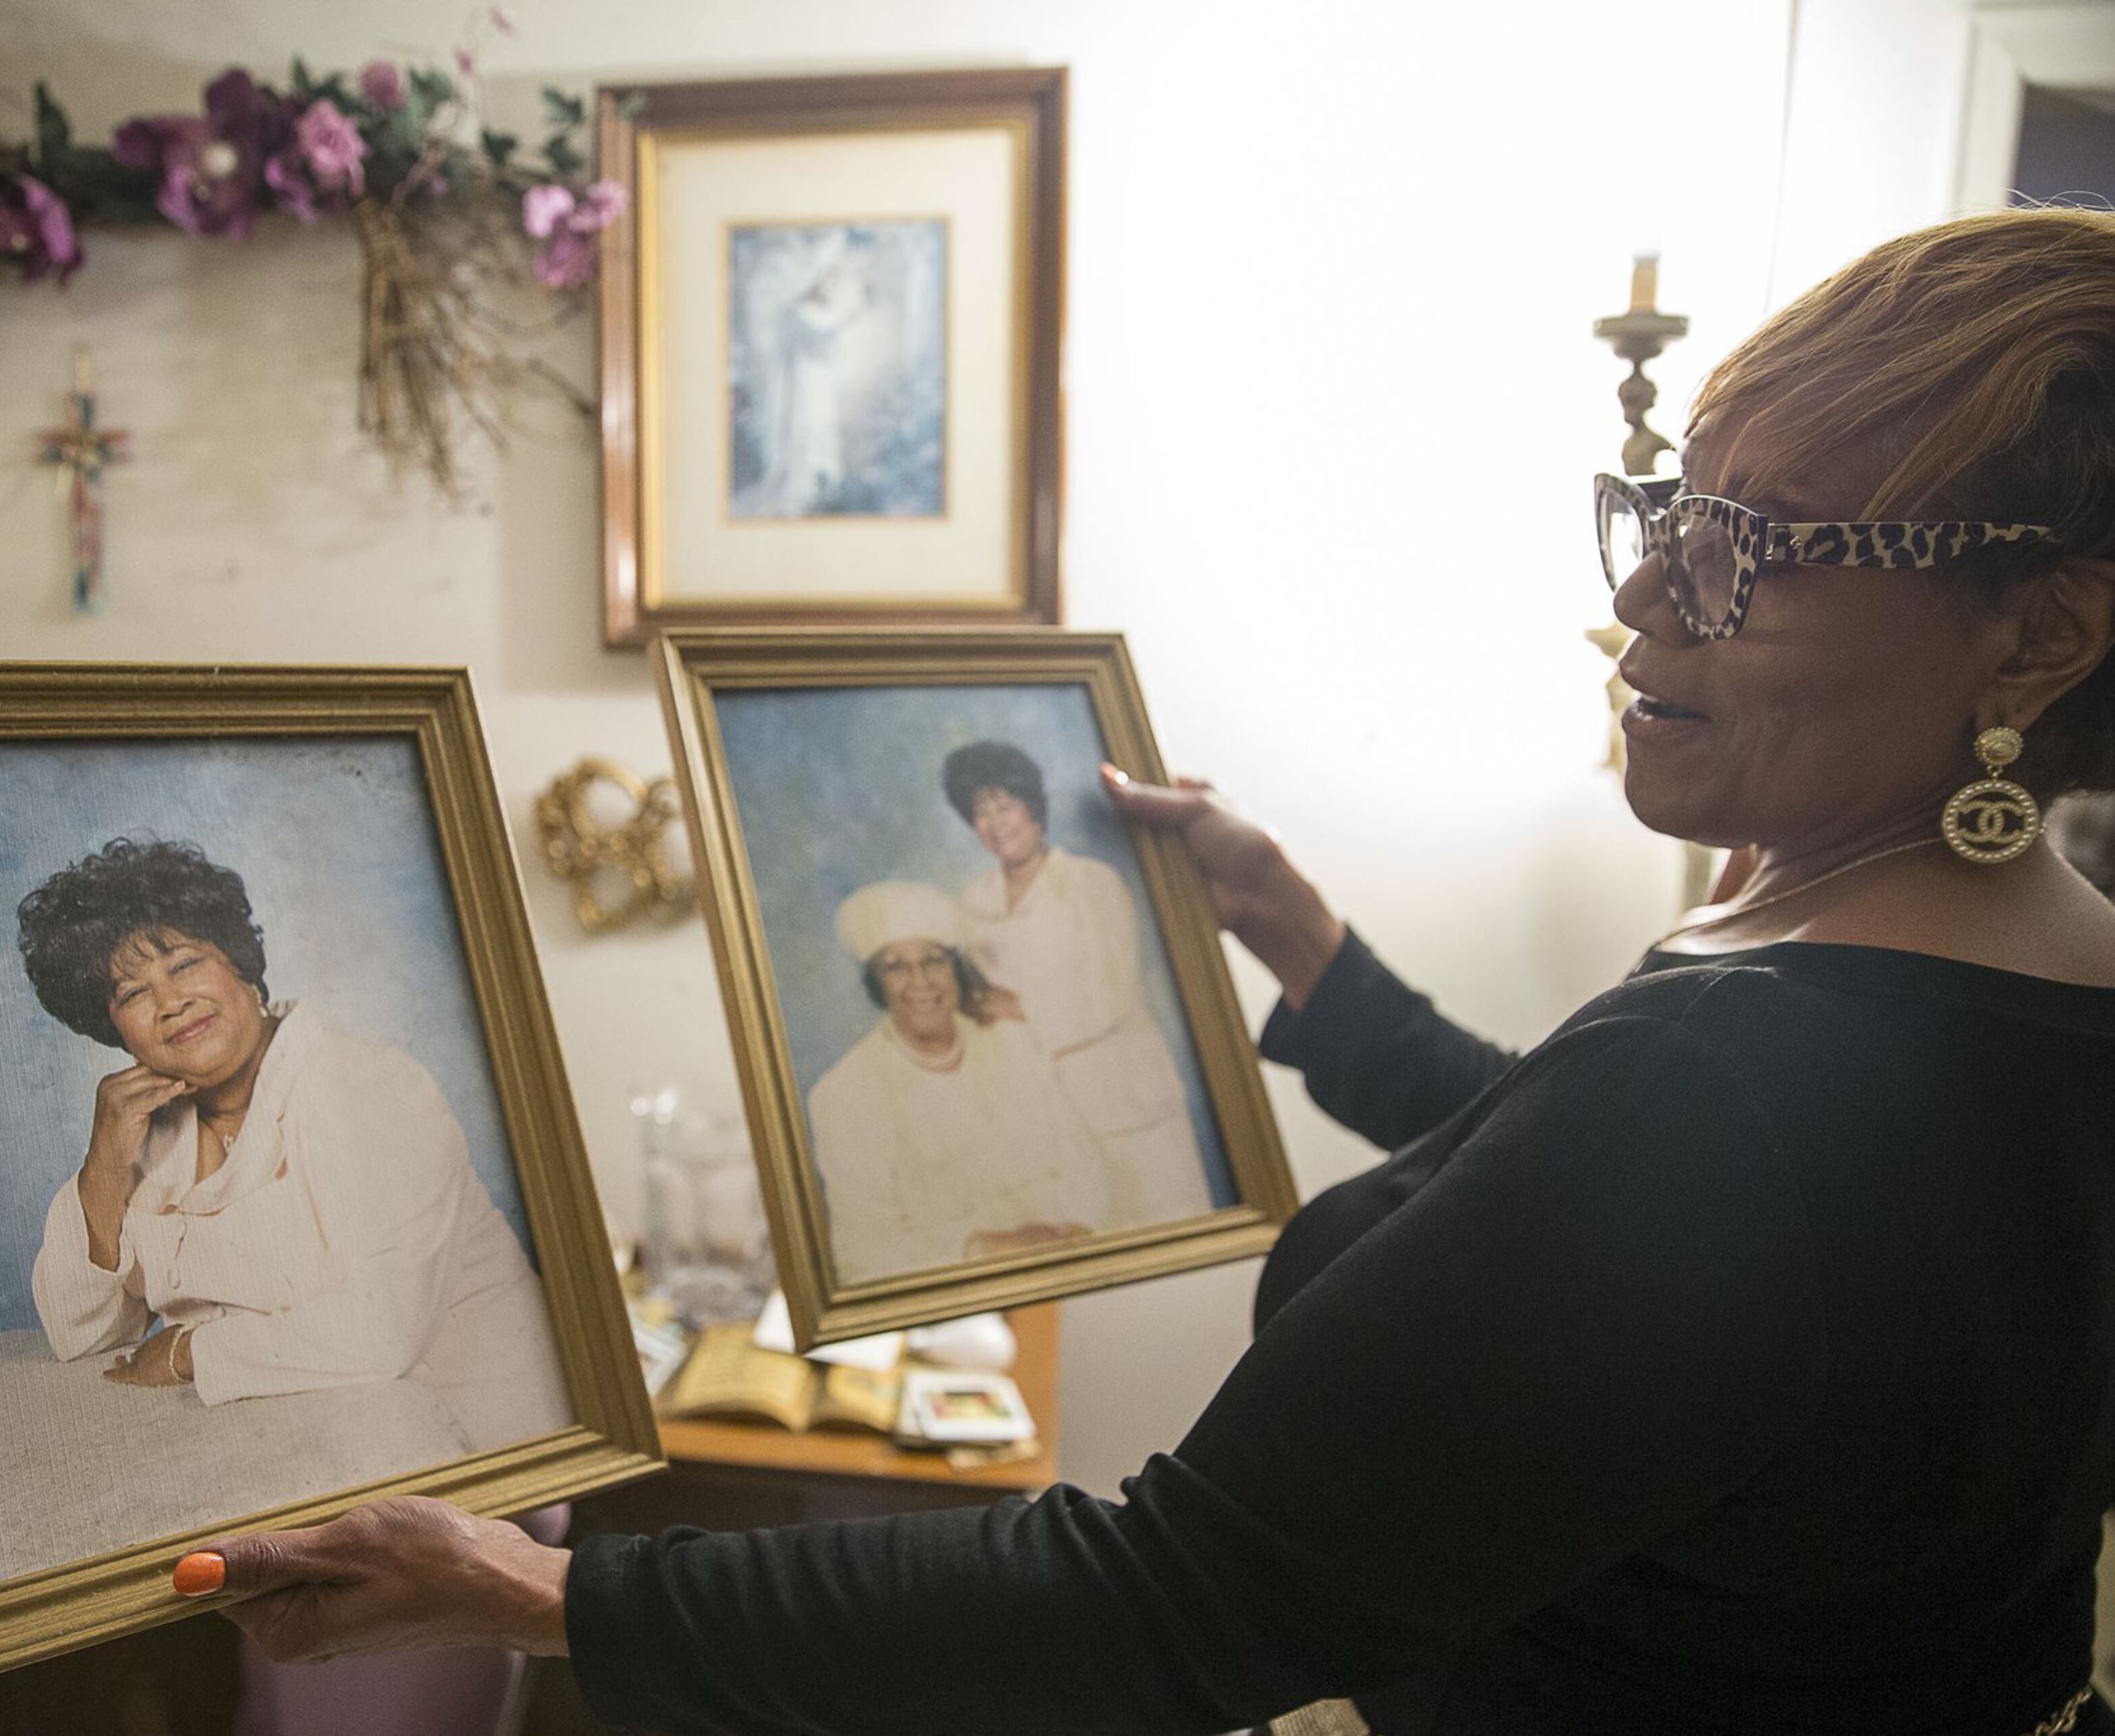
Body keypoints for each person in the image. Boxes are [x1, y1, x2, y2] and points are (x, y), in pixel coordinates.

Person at [167, 208, 2115, 1735]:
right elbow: (1657, 1252)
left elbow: (1155, 1601)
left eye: (1758, 547)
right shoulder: (2009, 989)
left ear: (2035, 633)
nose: (1641, 593)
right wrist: (1306, 949)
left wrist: (532, 1591)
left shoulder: (1728, 1074)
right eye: (1670, 510)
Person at [20, 836, 568, 1450]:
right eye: (133, 993)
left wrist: (187, 1351)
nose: (171, 1003)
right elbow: (81, 1338)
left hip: (484, 1439)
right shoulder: (144, 1136)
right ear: (112, 1027)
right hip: (304, 1446)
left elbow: (384, 1330)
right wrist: (103, 1166)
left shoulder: (371, 1088)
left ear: (239, 962)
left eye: (184, 964)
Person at [942, 738, 1216, 1225]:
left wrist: (1018, 1007)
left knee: (1167, 1228)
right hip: (1046, 1117)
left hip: (1129, 1104)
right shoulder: (973, 901)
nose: (996, 824)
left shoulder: (1093, 883)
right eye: (980, 814)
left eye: (1005, 806)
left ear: (1033, 806)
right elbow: (976, 1000)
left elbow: (1112, 995)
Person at [804, 879, 1105, 1278]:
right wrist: (981, 1249)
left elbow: (1085, 1164)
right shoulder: (844, 1094)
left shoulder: (1014, 1043)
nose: (921, 981)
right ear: (877, 984)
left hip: (1069, 1261)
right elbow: (861, 1254)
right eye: (896, 966)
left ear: (956, 971)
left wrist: (1077, 1233)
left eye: (933, 961)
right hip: (956, 1290)